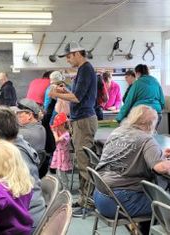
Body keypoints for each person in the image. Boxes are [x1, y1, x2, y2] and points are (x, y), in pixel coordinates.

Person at [94, 105, 170, 235]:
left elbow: (127, 154)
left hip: (99, 196)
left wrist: (157, 154)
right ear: (150, 125)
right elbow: (161, 167)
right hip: (118, 201)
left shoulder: (117, 132)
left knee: (149, 196)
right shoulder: (146, 138)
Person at [49, 41, 98, 216]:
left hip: (84, 120)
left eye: (69, 56)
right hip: (80, 119)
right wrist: (64, 90)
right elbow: (78, 94)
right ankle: (83, 200)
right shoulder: (82, 71)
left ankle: (88, 203)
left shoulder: (85, 69)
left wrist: (56, 94)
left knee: (84, 163)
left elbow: (77, 98)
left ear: (77, 53)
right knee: (81, 160)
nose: (68, 60)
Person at [0, 108, 45, 228]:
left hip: (27, 219)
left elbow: (8, 194)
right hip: (34, 211)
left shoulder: (12, 154)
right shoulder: (20, 143)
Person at [50, 113, 72, 188]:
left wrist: (54, 132)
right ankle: (61, 187)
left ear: (62, 125)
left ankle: (66, 188)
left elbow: (56, 140)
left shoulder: (66, 134)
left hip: (63, 156)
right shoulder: (60, 132)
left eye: (57, 126)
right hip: (58, 155)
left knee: (62, 173)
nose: (56, 128)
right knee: (58, 173)